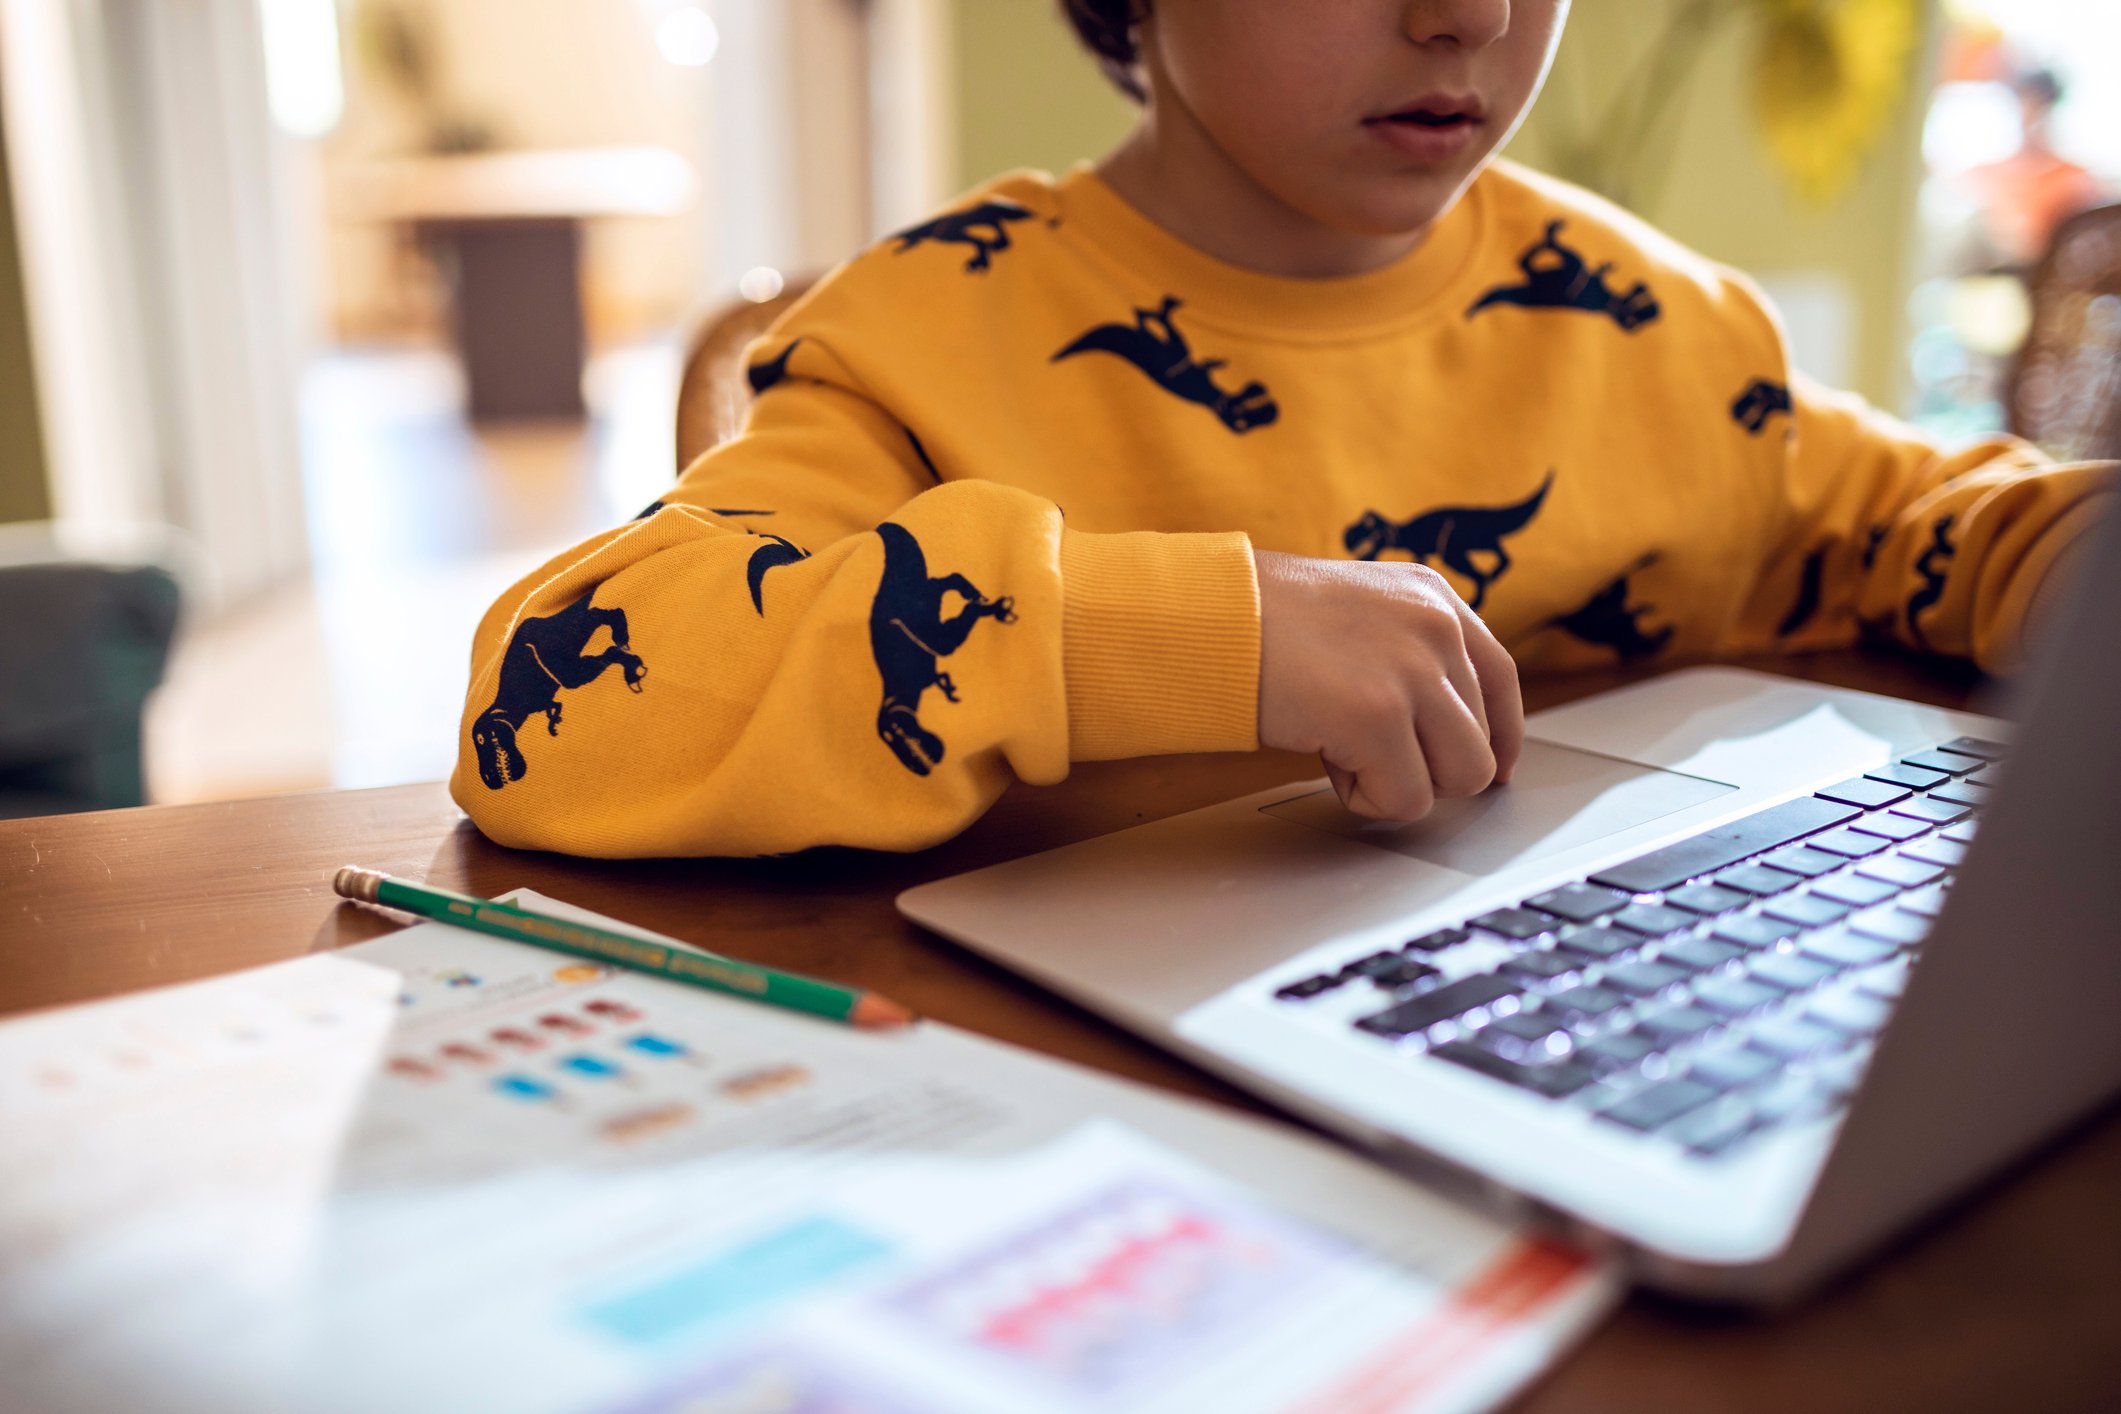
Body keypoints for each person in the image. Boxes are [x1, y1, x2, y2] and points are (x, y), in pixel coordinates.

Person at [452, 0, 2111, 859]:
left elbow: (1951, 523)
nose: (1462, 9)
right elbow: (564, 698)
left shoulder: (1662, 327)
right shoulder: (926, 339)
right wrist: (1199, 634)